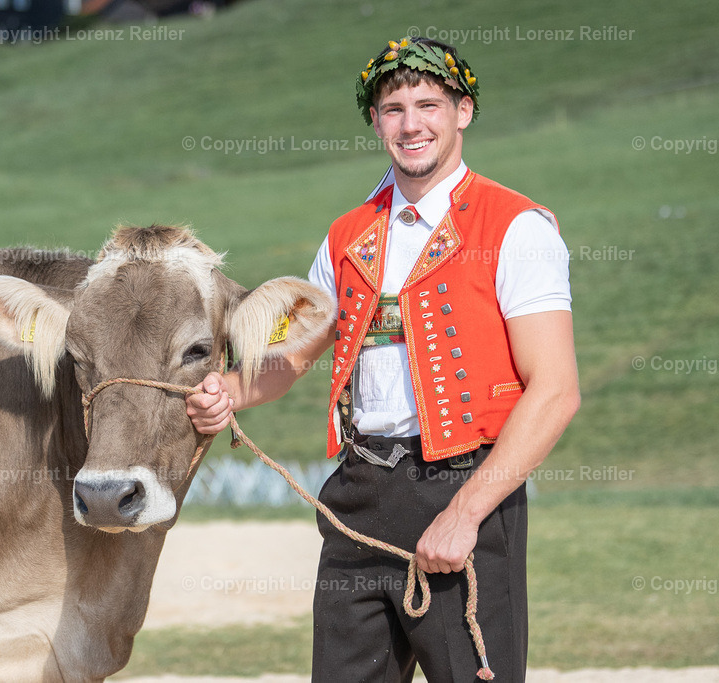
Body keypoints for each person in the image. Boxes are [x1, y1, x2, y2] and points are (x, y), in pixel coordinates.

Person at [186, 35, 580, 682]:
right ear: (375, 121)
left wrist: (465, 513)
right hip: (360, 491)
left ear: (464, 112)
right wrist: (230, 388)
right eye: (393, 109)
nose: (411, 123)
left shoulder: (516, 227)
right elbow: (297, 352)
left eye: (429, 104)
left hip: (465, 491)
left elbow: (556, 390)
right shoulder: (348, 234)